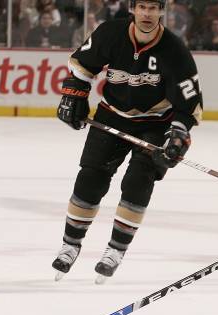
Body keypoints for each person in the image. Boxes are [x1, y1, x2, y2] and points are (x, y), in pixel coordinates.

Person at [51, 0, 202, 284]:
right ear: (133, 8)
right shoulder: (110, 33)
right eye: (142, 7)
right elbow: (84, 64)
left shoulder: (174, 50)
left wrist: (179, 133)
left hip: (156, 123)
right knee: (91, 177)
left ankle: (115, 250)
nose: (147, 14)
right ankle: (70, 244)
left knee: (138, 180)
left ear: (161, 11)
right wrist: (75, 93)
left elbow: (189, 102)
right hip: (112, 115)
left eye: (153, 8)